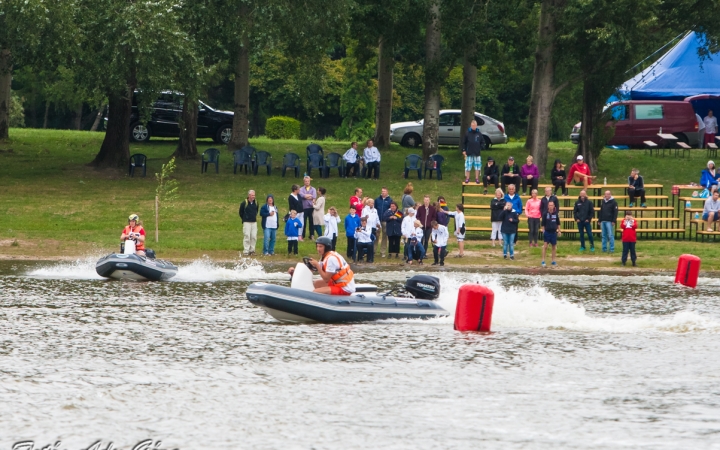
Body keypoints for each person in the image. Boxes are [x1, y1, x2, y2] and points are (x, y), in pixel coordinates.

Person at [462, 119, 484, 184]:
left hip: (477, 153)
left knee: (477, 166)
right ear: (471, 125)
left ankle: (477, 178)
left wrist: (480, 148)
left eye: (475, 125)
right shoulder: (467, 133)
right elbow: (464, 142)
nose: (473, 126)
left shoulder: (479, 133)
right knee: (468, 166)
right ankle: (467, 178)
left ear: (476, 126)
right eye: (472, 125)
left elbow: (482, 142)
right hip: (469, 152)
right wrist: (463, 150)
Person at [541, 202, 561, 267]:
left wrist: (559, 231)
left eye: (552, 205)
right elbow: (543, 223)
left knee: (554, 247)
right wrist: (543, 230)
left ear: (554, 206)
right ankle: (543, 260)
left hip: (554, 232)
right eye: (549, 205)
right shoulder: (545, 213)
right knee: (545, 246)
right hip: (547, 232)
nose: (550, 206)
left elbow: (558, 223)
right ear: (548, 206)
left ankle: (553, 260)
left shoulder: (556, 214)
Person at [375, 187, 393, 258]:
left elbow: (391, 210)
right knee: (376, 235)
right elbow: (375, 209)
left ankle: (383, 251)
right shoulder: (377, 200)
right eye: (382, 191)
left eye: (384, 191)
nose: (383, 193)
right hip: (378, 220)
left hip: (385, 221)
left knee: (384, 236)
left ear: (387, 192)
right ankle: (374, 250)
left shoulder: (390, 200)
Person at [239, 190, 258, 256]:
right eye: (252, 195)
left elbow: (256, 211)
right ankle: (246, 251)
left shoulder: (256, 202)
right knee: (247, 235)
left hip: (254, 222)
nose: (253, 197)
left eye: (254, 195)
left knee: (253, 236)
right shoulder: (244, 203)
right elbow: (241, 212)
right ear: (249, 195)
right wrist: (245, 218)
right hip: (246, 222)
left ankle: (252, 250)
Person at [299, 175, 317, 240]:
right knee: (303, 222)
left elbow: (314, 196)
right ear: (304, 182)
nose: (307, 182)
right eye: (306, 181)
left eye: (308, 181)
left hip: (311, 207)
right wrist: (308, 196)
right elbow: (301, 195)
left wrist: (306, 196)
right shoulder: (301, 189)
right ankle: (302, 235)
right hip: (304, 208)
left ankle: (311, 235)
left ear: (310, 181)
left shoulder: (313, 189)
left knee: (311, 221)